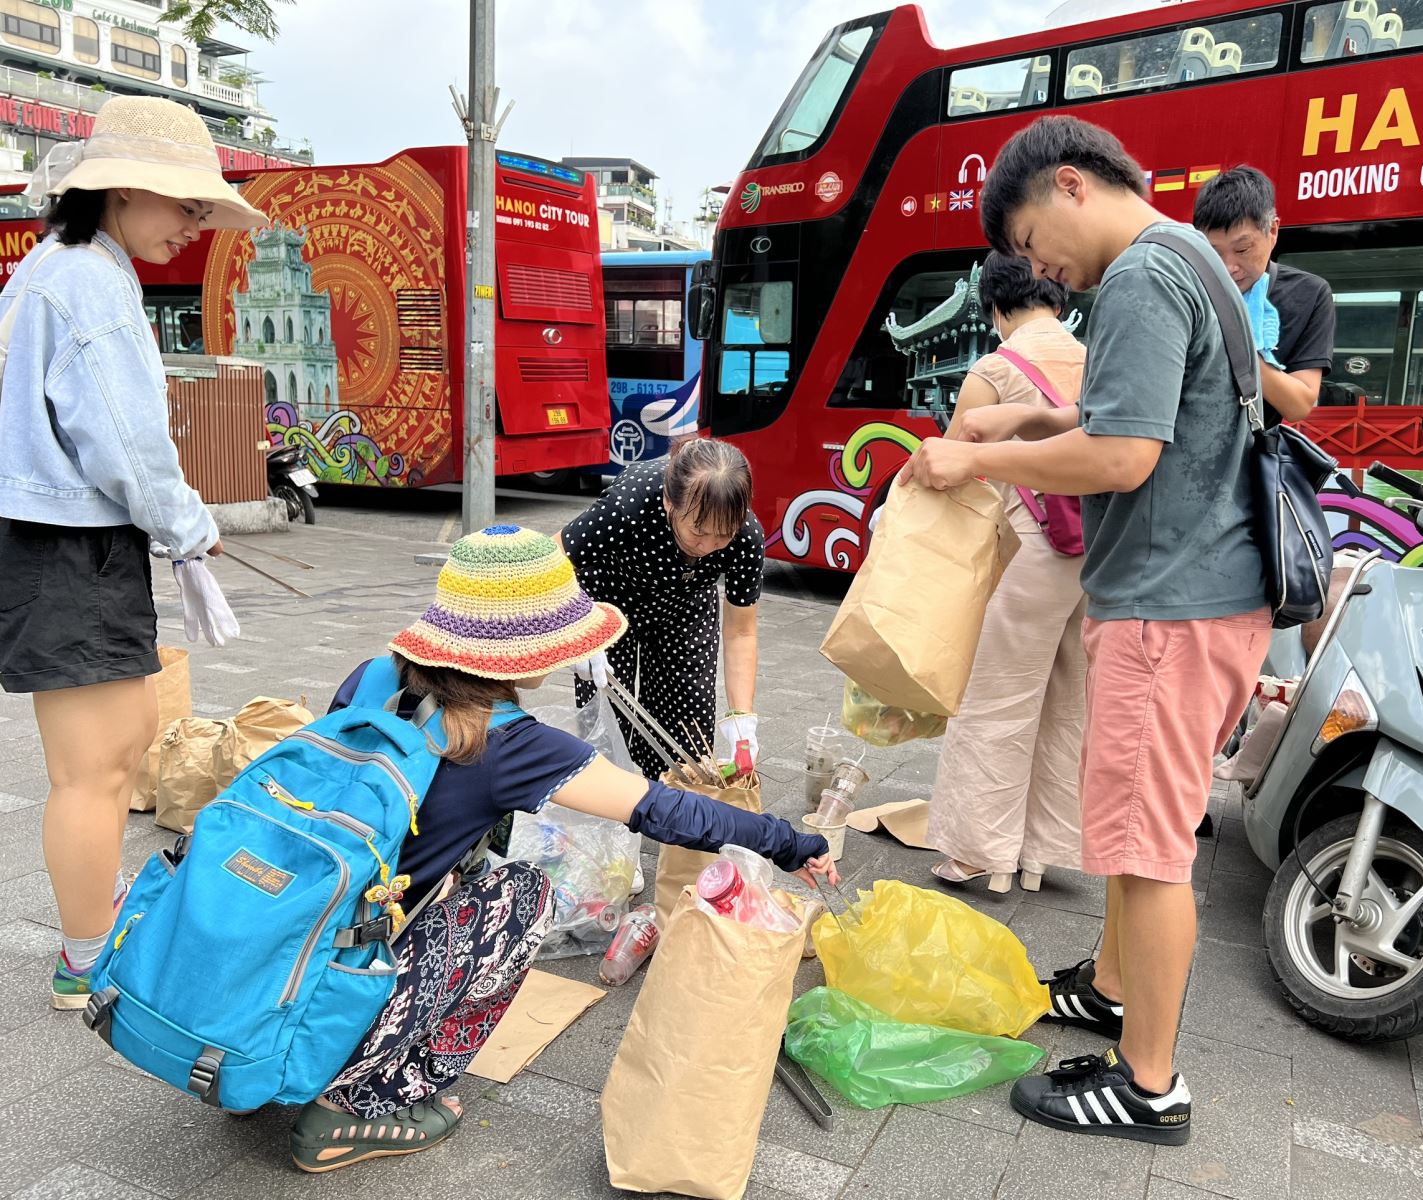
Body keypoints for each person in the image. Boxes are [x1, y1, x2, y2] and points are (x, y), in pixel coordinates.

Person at [905, 115, 1269, 1145]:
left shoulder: (1146, 278)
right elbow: (1142, 419)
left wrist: (975, 461)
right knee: (1129, 825)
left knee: (1151, 850)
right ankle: (1113, 989)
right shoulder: (1187, 257)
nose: (1039, 268)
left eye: (1028, 243)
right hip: (1194, 595)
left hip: (1169, 606)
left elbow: (1122, 458)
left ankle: (1148, 1085)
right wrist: (1024, 424)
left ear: (1069, 185)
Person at [290, 524, 836, 1173]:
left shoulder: (371, 675)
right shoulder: (511, 743)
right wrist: (787, 841)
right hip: (348, 956)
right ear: (520, 650)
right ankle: (363, 1101)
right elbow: (666, 810)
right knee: (519, 897)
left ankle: (297, 1044)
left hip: (286, 937)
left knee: (466, 860)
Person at [0, 97, 267, 1010]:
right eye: (184, 206)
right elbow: (124, 442)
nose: (192, 226)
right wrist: (189, 525)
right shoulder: (89, 284)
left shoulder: (60, 271)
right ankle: (85, 956)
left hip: (61, 541)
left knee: (113, 749)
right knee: (93, 769)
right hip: (68, 545)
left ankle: (95, 913)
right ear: (121, 191)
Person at [927, 251, 1087, 895]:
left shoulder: (996, 367)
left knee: (998, 697)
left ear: (996, 308)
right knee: (1069, 703)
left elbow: (950, 466)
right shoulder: (1096, 356)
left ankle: (977, 854)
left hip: (1029, 552)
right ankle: (1042, 852)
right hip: (1097, 555)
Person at [560, 439, 765, 779]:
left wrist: (742, 717)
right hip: (611, 600)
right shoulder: (628, 504)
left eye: (722, 536)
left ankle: (672, 813)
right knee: (608, 720)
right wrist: (575, 626)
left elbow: (741, 631)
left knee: (689, 729)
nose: (707, 547)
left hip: (684, 607)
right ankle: (614, 808)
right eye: (697, 531)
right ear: (670, 502)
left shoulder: (746, 536)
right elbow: (551, 561)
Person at [1192, 165, 1336, 426]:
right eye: (1213, 252)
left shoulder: (1308, 294)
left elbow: (1299, 404)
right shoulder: (1185, 284)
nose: (1228, 267)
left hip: (1249, 455)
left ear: (1272, 231)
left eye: (1243, 249)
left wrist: (1235, 343)